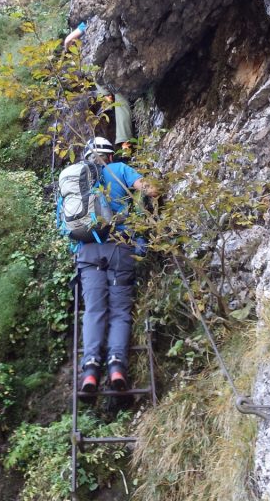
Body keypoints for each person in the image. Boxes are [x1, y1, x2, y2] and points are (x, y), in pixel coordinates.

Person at [74, 136, 157, 395]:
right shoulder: (119, 169)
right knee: (120, 312)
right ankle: (116, 366)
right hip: (120, 248)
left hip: (87, 252)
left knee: (94, 310)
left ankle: (90, 369)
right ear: (110, 155)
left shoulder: (76, 179)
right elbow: (151, 190)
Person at [63, 21, 135, 154]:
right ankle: (125, 144)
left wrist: (67, 51)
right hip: (118, 66)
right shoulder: (96, 22)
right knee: (120, 100)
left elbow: (68, 39)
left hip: (104, 70)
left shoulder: (89, 23)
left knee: (102, 81)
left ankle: (106, 100)